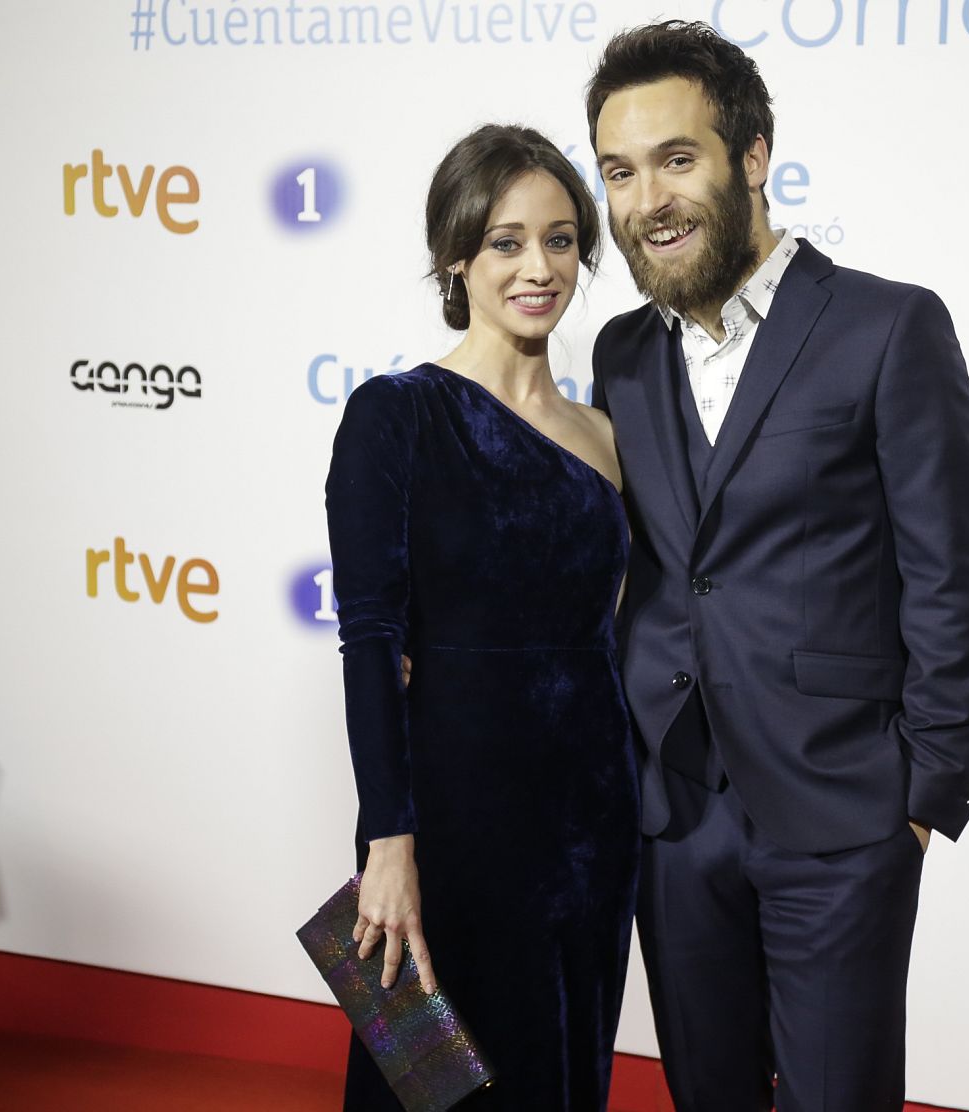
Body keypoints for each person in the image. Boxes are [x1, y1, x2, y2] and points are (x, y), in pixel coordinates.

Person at [585, 22, 969, 1111]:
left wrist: (919, 797)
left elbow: (952, 575)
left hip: (843, 809)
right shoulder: (620, 353)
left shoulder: (887, 326)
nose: (647, 201)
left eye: (676, 159)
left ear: (752, 154)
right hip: (676, 811)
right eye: (619, 172)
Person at [324, 123, 638, 1111]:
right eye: (505, 241)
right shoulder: (397, 414)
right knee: (420, 1086)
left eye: (558, 239)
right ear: (457, 256)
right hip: (445, 817)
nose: (536, 266)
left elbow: (633, 627)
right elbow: (371, 640)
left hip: (590, 817)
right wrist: (387, 841)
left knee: (557, 1074)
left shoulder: (609, 436)